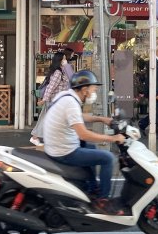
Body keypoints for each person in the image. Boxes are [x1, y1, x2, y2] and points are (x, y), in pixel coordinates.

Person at [43, 70, 125, 215]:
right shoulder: (71, 103)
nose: (95, 92)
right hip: (64, 151)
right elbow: (84, 134)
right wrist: (113, 138)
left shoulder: (67, 96)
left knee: (91, 147)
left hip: (58, 145)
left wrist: (102, 119)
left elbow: (79, 117)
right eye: (94, 88)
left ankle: (92, 188)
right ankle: (103, 201)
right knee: (108, 158)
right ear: (85, 89)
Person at [30, 52, 70, 146]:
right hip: (54, 101)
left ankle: (38, 138)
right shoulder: (58, 73)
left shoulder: (62, 71)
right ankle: (36, 137)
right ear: (59, 60)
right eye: (63, 59)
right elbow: (51, 87)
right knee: (49, 119)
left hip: (58, 101)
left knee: (48, 119)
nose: (65, 60)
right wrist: (45, 99)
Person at [139, 42, 158, 139]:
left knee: (157, 112)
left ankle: (144, 125)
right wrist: (157, 93)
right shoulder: (153, 62)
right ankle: (154, 131)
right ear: (157, 51)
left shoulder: (157, 61)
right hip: (155, 93)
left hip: (156, 92)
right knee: (156, 113)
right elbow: (154, 79)